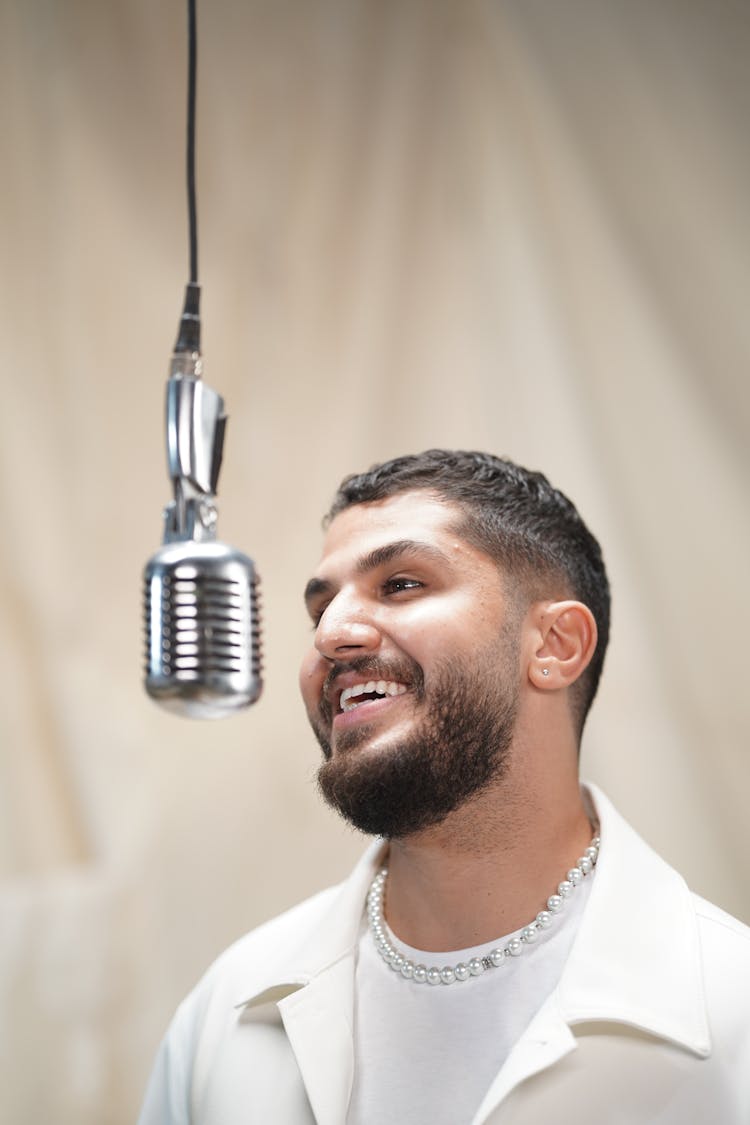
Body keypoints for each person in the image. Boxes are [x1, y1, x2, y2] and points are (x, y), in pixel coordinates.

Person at [138, 449, 750, 1124]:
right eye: (321, 611)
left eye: (401, 584)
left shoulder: (733, 1013)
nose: (333, 635)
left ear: (555, 645)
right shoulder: (225, 1012)